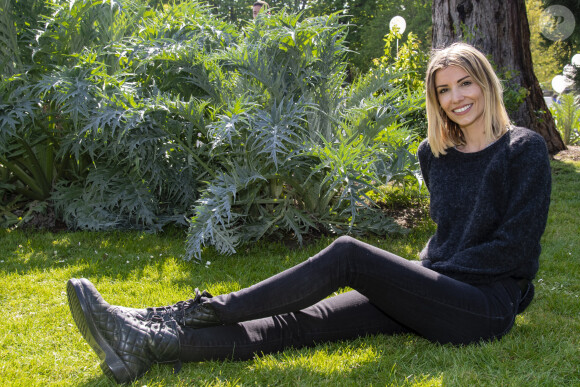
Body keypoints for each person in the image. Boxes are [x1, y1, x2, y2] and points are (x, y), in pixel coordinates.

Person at [66, 42, 552, 384]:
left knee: (348, 255)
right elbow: (453, 233)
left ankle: (200, 310)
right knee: (302, 323)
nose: (456, 98)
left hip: (483, 308)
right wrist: (421, 274)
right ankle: (148, 343)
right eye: (444, 89)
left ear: (485, 84)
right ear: (435, 99)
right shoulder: (435, 152)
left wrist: (421, 273)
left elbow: (514, 248)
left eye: (465, 83)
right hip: (437, 287)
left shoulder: (522, 150)